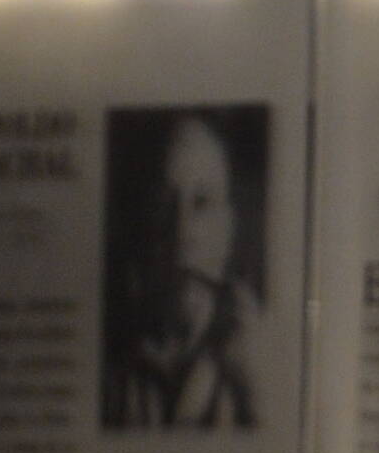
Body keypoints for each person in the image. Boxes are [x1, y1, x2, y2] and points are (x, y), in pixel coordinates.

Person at [101, 108, 263, 428]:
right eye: (163, 205)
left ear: (228, 228)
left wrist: (259, 397)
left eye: (202, 202)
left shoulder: (259, 361)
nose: (182, 232)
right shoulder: (109, 370)